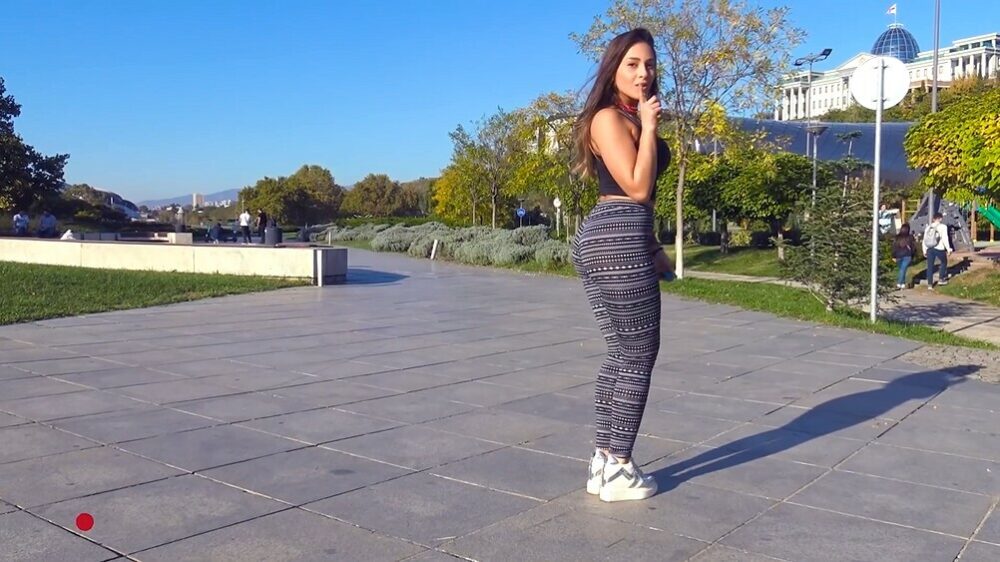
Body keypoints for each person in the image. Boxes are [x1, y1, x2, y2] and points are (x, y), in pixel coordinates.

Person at [570, 28, 670, 503]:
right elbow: (636, 187)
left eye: (649, 64)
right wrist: (649, 128)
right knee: (638, 355)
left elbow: (640, 200)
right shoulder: (609, 118)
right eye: (632, 64)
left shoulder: (629, 115)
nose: (643, 73)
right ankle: (620, 467)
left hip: (622, 237)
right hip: (616, 238)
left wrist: (653, 245)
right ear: (614, 68)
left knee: (621, 353)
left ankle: (604, 461)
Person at [923, 212, 953, 289]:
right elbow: (945, 238)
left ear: (933, 219)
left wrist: (924, 250)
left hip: (929, 248)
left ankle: (930, 284)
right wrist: (948, 249)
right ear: (940, 219)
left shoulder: (928, 227)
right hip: (939, 248)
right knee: (944, 262)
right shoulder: (943, 227)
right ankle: (941, 279)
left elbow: (925, 239)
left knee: (930, 266)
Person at [892, 223, 916, 289]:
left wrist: (893, 256)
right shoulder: (910, 237)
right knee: (903, 269)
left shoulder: (897, 237)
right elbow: (913, 247)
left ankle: (900, 283)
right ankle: (901, 283)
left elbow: (894, 247)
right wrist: (913, 255)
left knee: (902, 269)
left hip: (898, 255)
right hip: (907, 255)